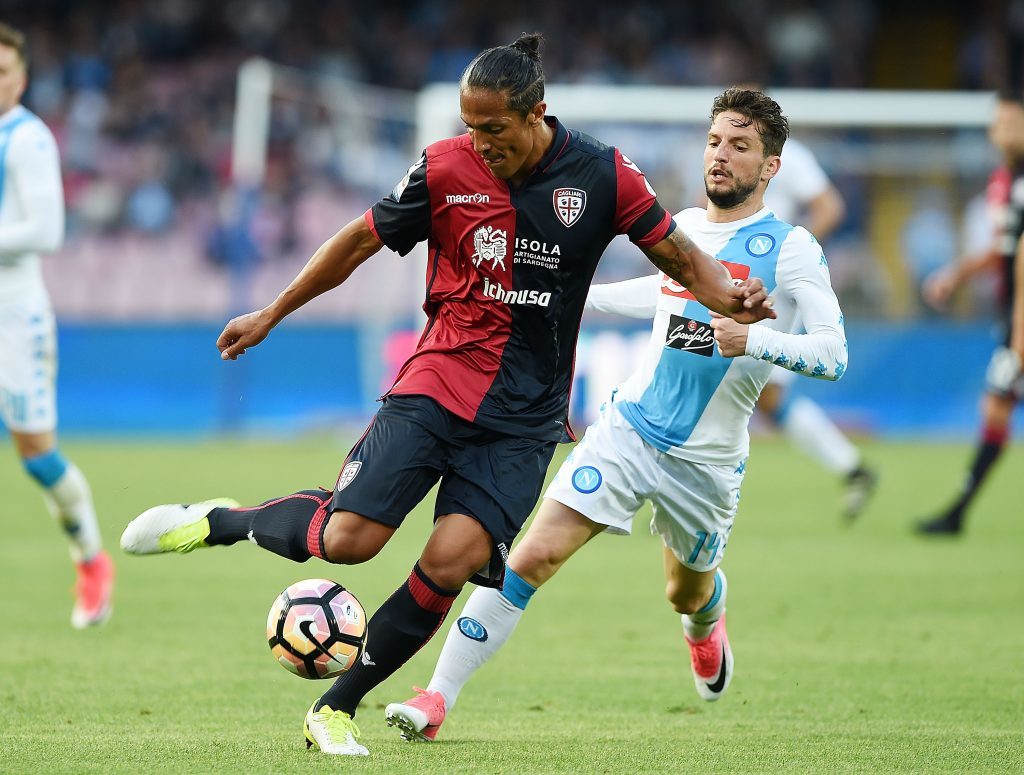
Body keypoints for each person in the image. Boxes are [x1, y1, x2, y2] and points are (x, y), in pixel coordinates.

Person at [119, 35, 775, 757]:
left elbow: (680, 257)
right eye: (470, 126)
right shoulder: (442, 168)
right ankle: (221, 520)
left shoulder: (604, 175)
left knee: (452, 559)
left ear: (535, 115)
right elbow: (358, 240)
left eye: (493, 128)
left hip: (524, 418)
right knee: (348, 541)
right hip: (439, 379)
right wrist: (272, 311)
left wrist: (733, 296)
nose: (479, 142)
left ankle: (336, 707)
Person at [383, 87, 847, 742]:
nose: (721, 156)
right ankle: (435, 696)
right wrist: (571, 295)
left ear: (771, 167)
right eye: (716, 141)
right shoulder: (683, 225)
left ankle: (704, 623)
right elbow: (657, 295)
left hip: (709, 464)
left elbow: (834, 354)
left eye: (740, 146)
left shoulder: (793, 247)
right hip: (630, 428)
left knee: (684, 592)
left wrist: (753, 340)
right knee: (530, 556)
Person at [0, 22, 114, 628]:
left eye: (5, 72)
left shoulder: (26, 140)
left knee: (37, 455)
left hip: (13, 316)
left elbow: (46, 232)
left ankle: (91, 559)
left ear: (20, 79)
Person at [918, 90, 1024, 535]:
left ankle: (958, 511)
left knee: (996, 402)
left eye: (1009, 123)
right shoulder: (1006, 181)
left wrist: (1018, 340)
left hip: (1019, 322)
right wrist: (959, 273)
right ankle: (959, 511)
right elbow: (1006, 252)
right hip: (1013, 317)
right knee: (996, 407)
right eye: (997, 122)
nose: (998, 132)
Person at [759, 131, 876, 520]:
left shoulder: (788, 155)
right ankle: (853, 469)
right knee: (766, 397)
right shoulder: (723, 150)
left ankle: (666, 494)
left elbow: (829, 207)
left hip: (767, 282)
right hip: (733, 276)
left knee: (731, 378)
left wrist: (790, 255)